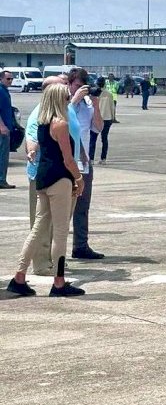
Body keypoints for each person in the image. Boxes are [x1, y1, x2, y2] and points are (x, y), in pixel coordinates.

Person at [7, 83, 86, 297]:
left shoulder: (43, 123)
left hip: (43, 178)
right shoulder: (60, 124)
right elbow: (68, 158)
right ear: (58, 99)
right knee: (60, 232)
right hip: (60, 179)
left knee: (38, 228)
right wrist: (79, 178)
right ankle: (58, 282)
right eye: (66, 96)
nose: (68, 98)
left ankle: (19, 276)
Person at [24, 75, 81, 275]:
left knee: (55, 223)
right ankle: (43, 265)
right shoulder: (41, 114)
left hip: (63, 172)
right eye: (62, 85)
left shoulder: (67, 110)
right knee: (48, 226)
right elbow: (31, 138)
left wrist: (82, 155)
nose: (67, 89)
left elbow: (76, 136)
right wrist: (79, 178)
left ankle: (40, 267)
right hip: (52, 173)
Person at [68, 67, 105, 260]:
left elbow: (98, 128)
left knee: (82, 206)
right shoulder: (64, 99)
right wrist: (74, 100)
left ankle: (80, 246)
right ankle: (53, 250)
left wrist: (96, 104)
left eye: (84, 86)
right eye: (77, 86)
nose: (81, 90)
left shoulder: (89, 104)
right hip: (66, 161)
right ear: (69, 84)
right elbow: (62, 120)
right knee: (62, 208)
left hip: (84, 163)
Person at [89, 77, 114, 164]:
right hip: (107, 118)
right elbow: (112, 107)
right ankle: (103, 158)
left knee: (93, 139)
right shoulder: (109, 94)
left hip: (96, 117)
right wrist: (113, 117)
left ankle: (91, 159)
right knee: (104, 139)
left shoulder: (94, 93)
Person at [0, 69, 15, 189]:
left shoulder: (4, 91)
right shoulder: (0, 90)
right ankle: (1, 180)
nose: (10, 81)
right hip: (2, 130)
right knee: (3, 155)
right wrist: (2, 126)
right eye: (8, 79)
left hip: (6, 128)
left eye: (11, 79)